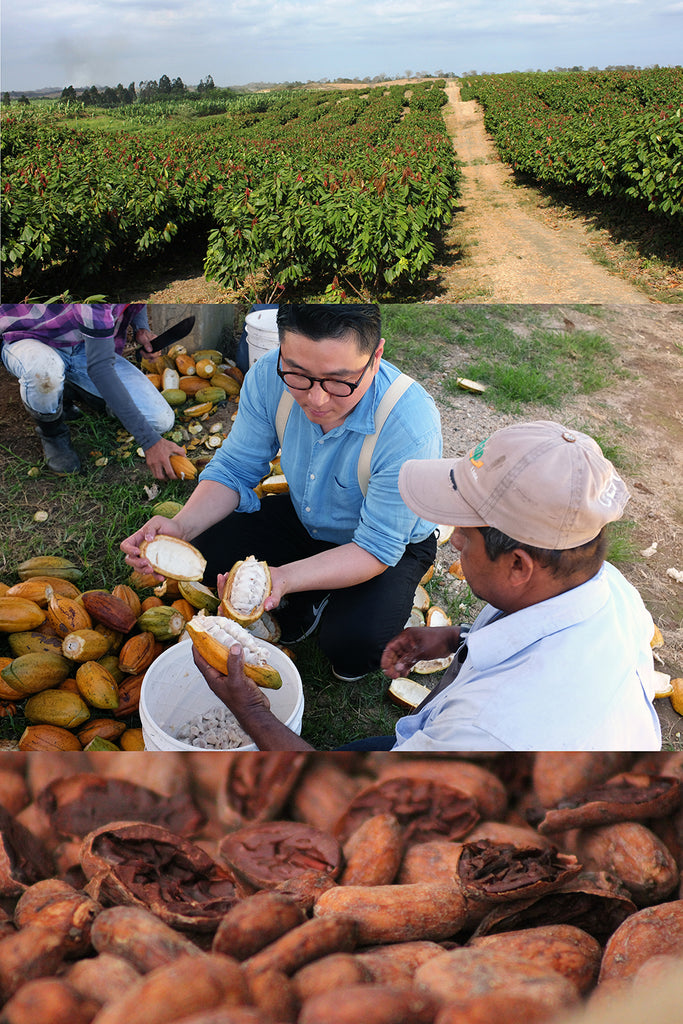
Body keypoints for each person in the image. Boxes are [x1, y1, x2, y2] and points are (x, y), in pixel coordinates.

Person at [189, 420, 662, 752]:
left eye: (466, 533)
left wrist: (251, 709)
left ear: (519, 565)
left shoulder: (489, 729)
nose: (453, 540)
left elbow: (353, 810)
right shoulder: (609, 589)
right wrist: (458, 637)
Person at [122, 304, 442, 682]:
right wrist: (181, 526)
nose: (317, 400)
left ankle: (318, 598)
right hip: (308, 514)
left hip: (388, 547)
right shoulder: (268, 376)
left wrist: (282, 579)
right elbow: (235, 469)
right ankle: (309, 589)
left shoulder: (409, 424)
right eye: (299, 375)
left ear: (375, 359)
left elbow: (376, 547)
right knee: (202, 556)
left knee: (355, 647)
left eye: (340, 381)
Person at [0, 303, 186, 478]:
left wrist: (141, 328)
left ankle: (67, 387)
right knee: (43, 371)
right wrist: (150, 442)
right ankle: (53, 433)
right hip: (30, 337)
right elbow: (101, 369)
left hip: (84, 344)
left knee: (161, 420)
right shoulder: (94, 301)